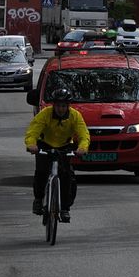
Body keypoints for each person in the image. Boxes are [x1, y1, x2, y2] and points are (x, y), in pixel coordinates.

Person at [24, 88, 89, 223]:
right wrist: (31, 145)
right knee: (41, 172)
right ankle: (38, 199)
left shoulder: (75, 116)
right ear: (54, 105)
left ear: (68, 106)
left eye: (64, 106)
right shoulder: (45, 114)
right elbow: (33, 131)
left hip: (65, 147)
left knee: (67, 177)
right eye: (58, 106)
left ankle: (64, 208)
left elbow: (84, 134)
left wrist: (82, 148)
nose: (61, 109)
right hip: (45, 145)